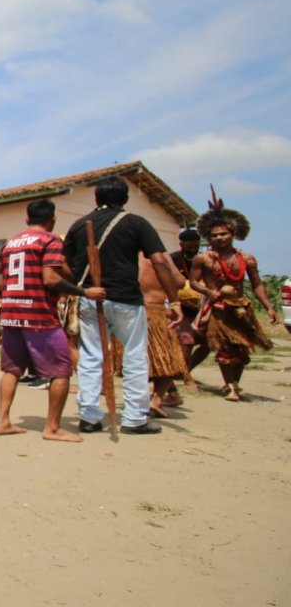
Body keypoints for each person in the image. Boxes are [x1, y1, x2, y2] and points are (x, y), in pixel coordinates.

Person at [63, 176, 181, 435]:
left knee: (91, 356)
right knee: (135, 356)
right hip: (126, 299)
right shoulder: (136, 223)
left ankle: (89, 416)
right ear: (125, 199)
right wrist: (175, 300)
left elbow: (64, 264)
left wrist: (79, 289)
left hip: (90, 298)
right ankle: (135, 418)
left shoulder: (79, 225)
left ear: (97, 199)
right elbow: (160, 261)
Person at [0, 199, 104, 441]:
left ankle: (3, 421)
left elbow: (2, 283)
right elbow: (51, 279)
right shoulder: (51, 240)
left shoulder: (9, 244)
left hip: (11, 313)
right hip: (39, 315)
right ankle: (52, 428)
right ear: (52, 219)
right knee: (61, 371)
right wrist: (85, 292)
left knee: (12, 370)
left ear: (26, 219)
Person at [189, 190, 276, 401]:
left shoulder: (247, 259)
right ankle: (230, 386)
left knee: (242, 347)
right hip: (218, 309)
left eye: (223, 234)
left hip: (241, 308)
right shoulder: (204, 259)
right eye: (214, 235)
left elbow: (257, 284)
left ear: (233, 234)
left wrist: (268, 307)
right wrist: (209, 292)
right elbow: (192, 281)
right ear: (208, 237)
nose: (219, 238)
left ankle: (234, 383)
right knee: (224, 346)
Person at [138, 253, 188, 417]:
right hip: (157, 309)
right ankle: (156, 399)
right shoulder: (159, 256)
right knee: (169, 359)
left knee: (137, 360)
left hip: (130, 311)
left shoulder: (122, 252)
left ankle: (141, 400)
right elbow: (180, 282)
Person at [170, 228, 208, 391]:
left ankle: (185, 370)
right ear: (181, 244)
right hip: (182, 306)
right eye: (190, 245)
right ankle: (186, 377)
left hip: (202, 307)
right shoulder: (173, 259)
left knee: (209, 343)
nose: (193, 248)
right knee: (187, 340)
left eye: (196, 245)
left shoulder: (204, 259)